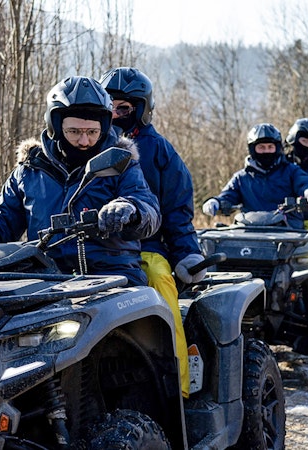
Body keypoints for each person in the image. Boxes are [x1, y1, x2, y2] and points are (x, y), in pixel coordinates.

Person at [0, 76, 161, 287]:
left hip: (112, 277)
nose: (84, 140)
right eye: (74, 131)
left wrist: (130, 209)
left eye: (92, 132)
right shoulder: (30, 170)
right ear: (56, 127)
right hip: (44, 278)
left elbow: (148, 208)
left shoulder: (121, 162)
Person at [99, 66, 204, 398]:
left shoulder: (160, 151)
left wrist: (187, 251)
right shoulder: (88, 145)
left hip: (147, 246)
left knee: (160, 286)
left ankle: (180, 389)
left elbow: (177, 210)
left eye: (124, 108)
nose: (115, 114)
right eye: (109, 106)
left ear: (142, 109)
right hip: (90, 251)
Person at [202, 123, 308, 229]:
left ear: (277, 148)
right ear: (252, 149)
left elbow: (305, 184)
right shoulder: (241, 177)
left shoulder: (292, 171)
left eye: (270, 147)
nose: (266, 151)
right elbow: (228, 195)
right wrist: (216, 201)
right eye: (261, 147)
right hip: (249, 233)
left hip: (289, 232)